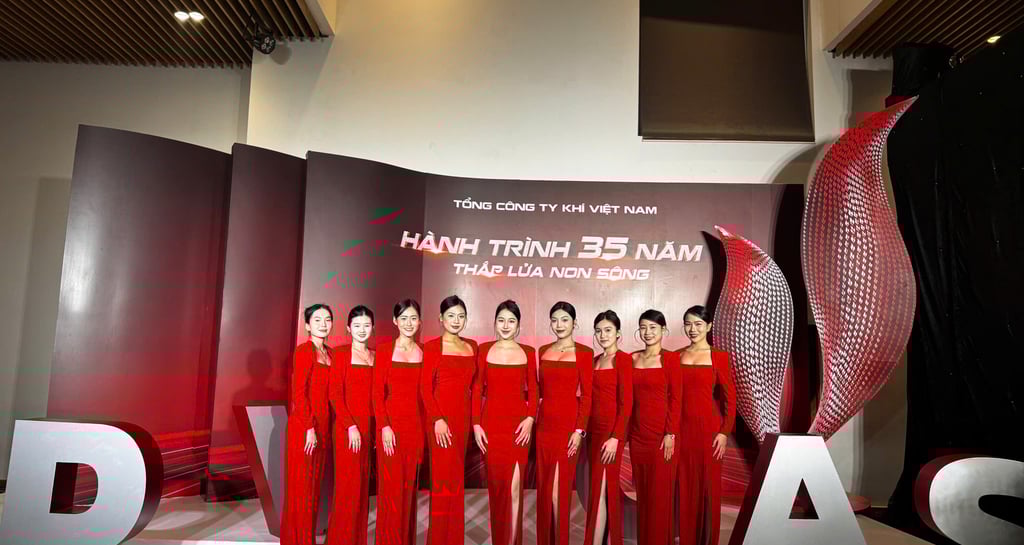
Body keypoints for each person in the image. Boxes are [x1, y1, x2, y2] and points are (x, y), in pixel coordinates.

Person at [471, 300, 538, 545]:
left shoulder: (528, 352)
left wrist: (530, 418)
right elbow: (476, 389)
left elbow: (534, 389)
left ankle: (513, 541)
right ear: (494, 323)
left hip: (519, 429)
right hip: (491, 427)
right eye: (501, 320)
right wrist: (476, 424)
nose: (506, 325)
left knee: (514, 489)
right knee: (497, 489)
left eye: (511, 321)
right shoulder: (484, 349)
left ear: (519, 326)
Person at [421, 295, 478, 545]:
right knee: (442, 481)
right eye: (451, 316)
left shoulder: (472, 346)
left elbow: (475, 387)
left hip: (461, 420)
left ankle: (454, 538)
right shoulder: (432, 346)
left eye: (461, 316)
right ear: (441, 318)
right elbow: (425, 388)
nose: (456, 320)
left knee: (456, 481)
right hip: (440, 422)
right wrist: (437, 419)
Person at [677, 305, 736, 545]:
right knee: (685, 488)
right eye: (688, 324)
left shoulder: (718, 356)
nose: (693, 329)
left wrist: (724, 433)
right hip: (681, 430)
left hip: (710, 432)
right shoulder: (676, 355)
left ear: (709, 326)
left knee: (709, 490)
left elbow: (730, 399)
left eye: (698, 324)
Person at [536, 301, 594, 545]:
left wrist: (579, 431)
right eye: (555, 320)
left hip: (569, 429)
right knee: (544, 489)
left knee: (559, 492)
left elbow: (588, 396)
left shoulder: (585, 353)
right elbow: (540, 391)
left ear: (574, 323)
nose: (559, 325)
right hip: (543, 428)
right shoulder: (543, 350)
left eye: (565, 320)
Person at [373, 299, 426, 545]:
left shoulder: (425, 351)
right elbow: (377, 393)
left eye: (413, 318)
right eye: (403, 318)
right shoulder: (384, 350)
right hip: (390, 430)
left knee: (408, 490)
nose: (408, 323)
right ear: (395, 321)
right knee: (391, 491)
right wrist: (384, 426)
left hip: (415, 429)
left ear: (420, 322)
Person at [281, 303, 334, 545]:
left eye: (327, 320)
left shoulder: (331, 354)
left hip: (323, 428)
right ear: (307, 326)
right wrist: (309, 427)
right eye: (317, 320)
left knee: (313, 491)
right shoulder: (304, 351)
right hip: (305, 429)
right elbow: (299, 394)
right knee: (301, 490)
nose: (323, 324)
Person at [630, 309, 682, 545]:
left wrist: (671, 433)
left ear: (664, 330)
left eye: (653, 327)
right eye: (643, 327)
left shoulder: (670, 359)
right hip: (637, 437)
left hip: (662, 438)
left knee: (660, 497)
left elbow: (676, 399)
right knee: (643, 496)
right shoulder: (632, 358)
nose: (648, 332)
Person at [582, 310, 633, 545]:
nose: (603, 335)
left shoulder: (623, 359)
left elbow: (626, 403)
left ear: (618, 333)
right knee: (597, 490)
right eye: (599, 331)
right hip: (594, 433)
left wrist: (616, 437)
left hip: (611, 434)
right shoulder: (594, 360)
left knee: (603, 488)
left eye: (608, 330)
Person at [327, 305, 375, 545]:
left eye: (366, 325)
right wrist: (350, 426)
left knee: (362, 488)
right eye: (357, 325)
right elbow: (335, 394)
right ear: (348, 328)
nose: (362, 330)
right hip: (348, 430)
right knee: (347, 488)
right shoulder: (341, 354)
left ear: (373, 327)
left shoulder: (377, 356)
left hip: (369, 429)